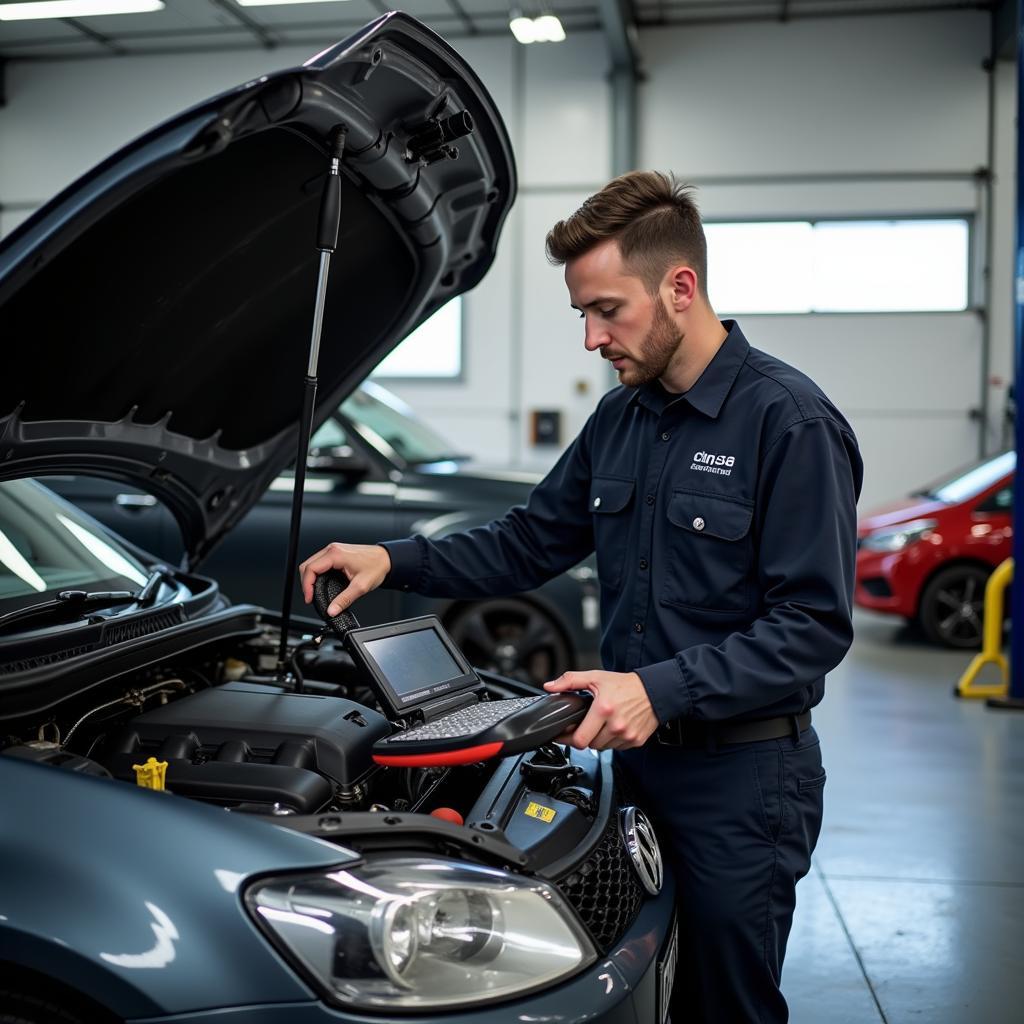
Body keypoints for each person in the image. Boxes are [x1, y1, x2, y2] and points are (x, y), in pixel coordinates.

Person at [299, 170, 863, 1024]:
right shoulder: (621, 420)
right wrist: (393, 557)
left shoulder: (789, 423)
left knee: (724, 1004)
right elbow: (529, 542)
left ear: (681, 287)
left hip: (742, 778)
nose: (593, 339)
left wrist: (656, 689)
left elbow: (812, 626)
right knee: (636, 987)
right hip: (632, 767)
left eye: (608, 310)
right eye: (583, 316)